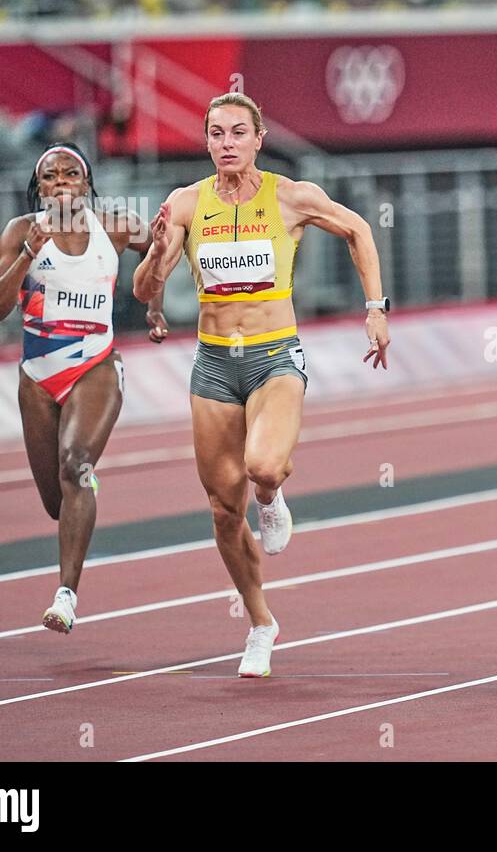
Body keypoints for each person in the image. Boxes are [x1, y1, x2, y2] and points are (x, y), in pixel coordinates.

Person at [132, 93, 390, 678]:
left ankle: (272, 501)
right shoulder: (186, 203)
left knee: (264, 468)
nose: (226, 143)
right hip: (214, 363)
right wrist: (152, 254)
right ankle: (260, 623)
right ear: (206, 142)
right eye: (216, 133)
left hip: (275, 356)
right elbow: (147, 289)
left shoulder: (290, 197)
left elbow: (357, 230)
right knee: (224, 510)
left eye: (237, 132)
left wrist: (376, 308)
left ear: (258, 137)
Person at [0, 142, 169, 634]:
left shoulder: (115, 225)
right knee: (56, 504)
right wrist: (26, 256)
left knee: (74, 462)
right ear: (39, 188)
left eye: (70, 173)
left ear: (86, 184)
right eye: (50, 176)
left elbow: (161, 247)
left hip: (97, 364)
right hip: (37, 377)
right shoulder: (20, 232)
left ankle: (66, 594)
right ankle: (82, 490)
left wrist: (152, 306)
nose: (61, 181)